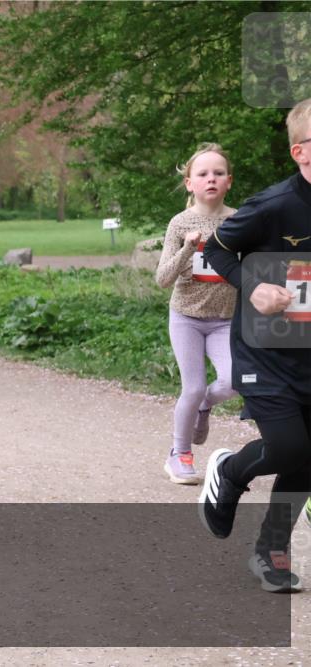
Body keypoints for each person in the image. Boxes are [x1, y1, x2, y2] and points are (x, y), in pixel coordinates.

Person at [199, 98, 311, 593]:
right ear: (300, 152)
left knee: (307, 458)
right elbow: (215, 248)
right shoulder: (273, 206)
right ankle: (231, 469)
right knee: (289, 447)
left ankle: (272, 553)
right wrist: (253, 282)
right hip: (265, 350)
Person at [154, 144, 238, 484]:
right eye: (202, 174)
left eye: (218, 173)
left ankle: (205, 405)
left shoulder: (238, 220)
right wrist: (189, 247)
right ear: (190, 183)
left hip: (225, 319)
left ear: (229, 181)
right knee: (192, 387)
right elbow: (162, 279)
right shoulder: (180, 222)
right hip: (187, 317)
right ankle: (179, 454)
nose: (211, 179)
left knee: (234, 381)